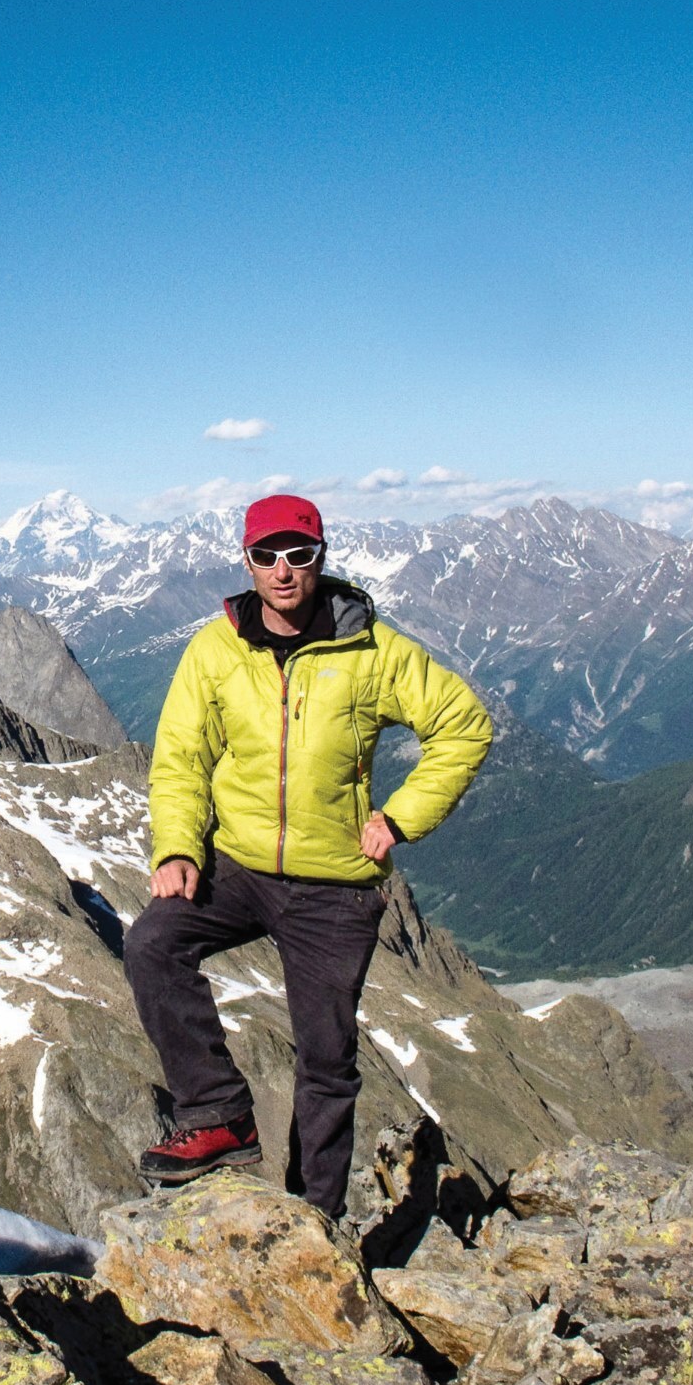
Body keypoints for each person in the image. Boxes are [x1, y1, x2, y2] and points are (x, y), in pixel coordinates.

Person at [123, 493, 493, 1216]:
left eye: (299, 554)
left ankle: (315, 1216)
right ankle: (218, 1115)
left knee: (326, 1058)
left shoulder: (371, 648)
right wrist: (176, 844)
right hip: (236, 864)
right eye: (267, 554)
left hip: (335, 884)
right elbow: (179, 757)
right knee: (152, 943)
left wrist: (403, 816)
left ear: (321, 558)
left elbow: (464, 725)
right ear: (247, 560)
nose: (283, 570)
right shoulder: (216, 647)